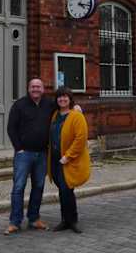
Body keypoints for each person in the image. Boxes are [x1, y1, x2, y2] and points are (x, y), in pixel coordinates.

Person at [5, 78, 81, 235]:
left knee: (38, 187)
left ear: (43, 89)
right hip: (24, 154)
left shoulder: (49, 104)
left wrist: (77, 107)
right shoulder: (19, 105)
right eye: (33, 86)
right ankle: (15, 222)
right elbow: (11, 128)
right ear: (28, 88)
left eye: (38, 86)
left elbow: (64, 107)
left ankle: (34, 218)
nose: (35, 89)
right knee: (18, 187)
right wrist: (18, 148)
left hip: (42, 154)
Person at [48, 86, 90, 234]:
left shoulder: (76, 116)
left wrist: (68, 156)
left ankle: (72, 220)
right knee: (62, 190)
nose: (62, 99)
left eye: (65, 96)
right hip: (55, 160)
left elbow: (80, 139)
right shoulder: (55, 115)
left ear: (70, 99)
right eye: (59, 97)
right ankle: (65, 219)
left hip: (68, 160)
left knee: (67, 189)